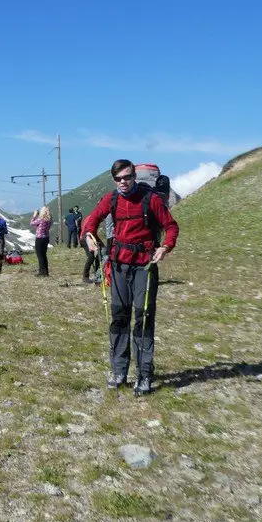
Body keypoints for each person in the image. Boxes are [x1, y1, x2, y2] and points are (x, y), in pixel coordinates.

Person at [82, 160, 179, 396]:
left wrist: (165, 247)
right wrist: (88, 234)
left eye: (126, 177)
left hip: (144, 266)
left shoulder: (151, 200)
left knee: (143, 319)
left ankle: (144, 374)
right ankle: (119, 371)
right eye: (118, 179)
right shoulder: (111, 199)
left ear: (134, 176)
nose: (123, 182)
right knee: (119, 317)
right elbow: (91, 220)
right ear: (114, 180)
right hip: (118, 266)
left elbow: (171, 226)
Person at [29, 206, 52, 277]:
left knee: (40, 255)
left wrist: (34, 215)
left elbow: (32, 223)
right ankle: (46, 271)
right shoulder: (49, 219)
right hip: (46, 238)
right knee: (44, 255)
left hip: (39, 238)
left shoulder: (40, 219)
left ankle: (42, 272)